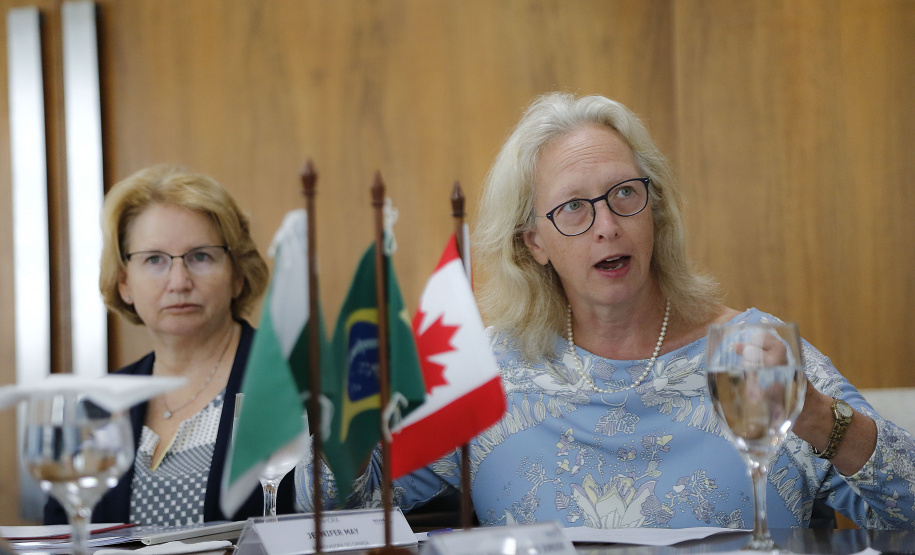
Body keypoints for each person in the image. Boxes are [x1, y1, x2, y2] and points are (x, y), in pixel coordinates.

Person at [296, 92, 915, 529]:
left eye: (625, 195)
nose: (607, 227)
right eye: (573, 207)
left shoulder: (751, 348)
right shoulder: (488, 368)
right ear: (532, 242)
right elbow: (332, 513)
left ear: (655, 212)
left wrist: (817, 418)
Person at [45, 164, 296, 526]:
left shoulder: (293, 382)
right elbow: (63, 534)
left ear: (237, 275)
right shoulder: (97, 406)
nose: (179, 282)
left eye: (200, 256)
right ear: (124, 283)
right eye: (155, 260)